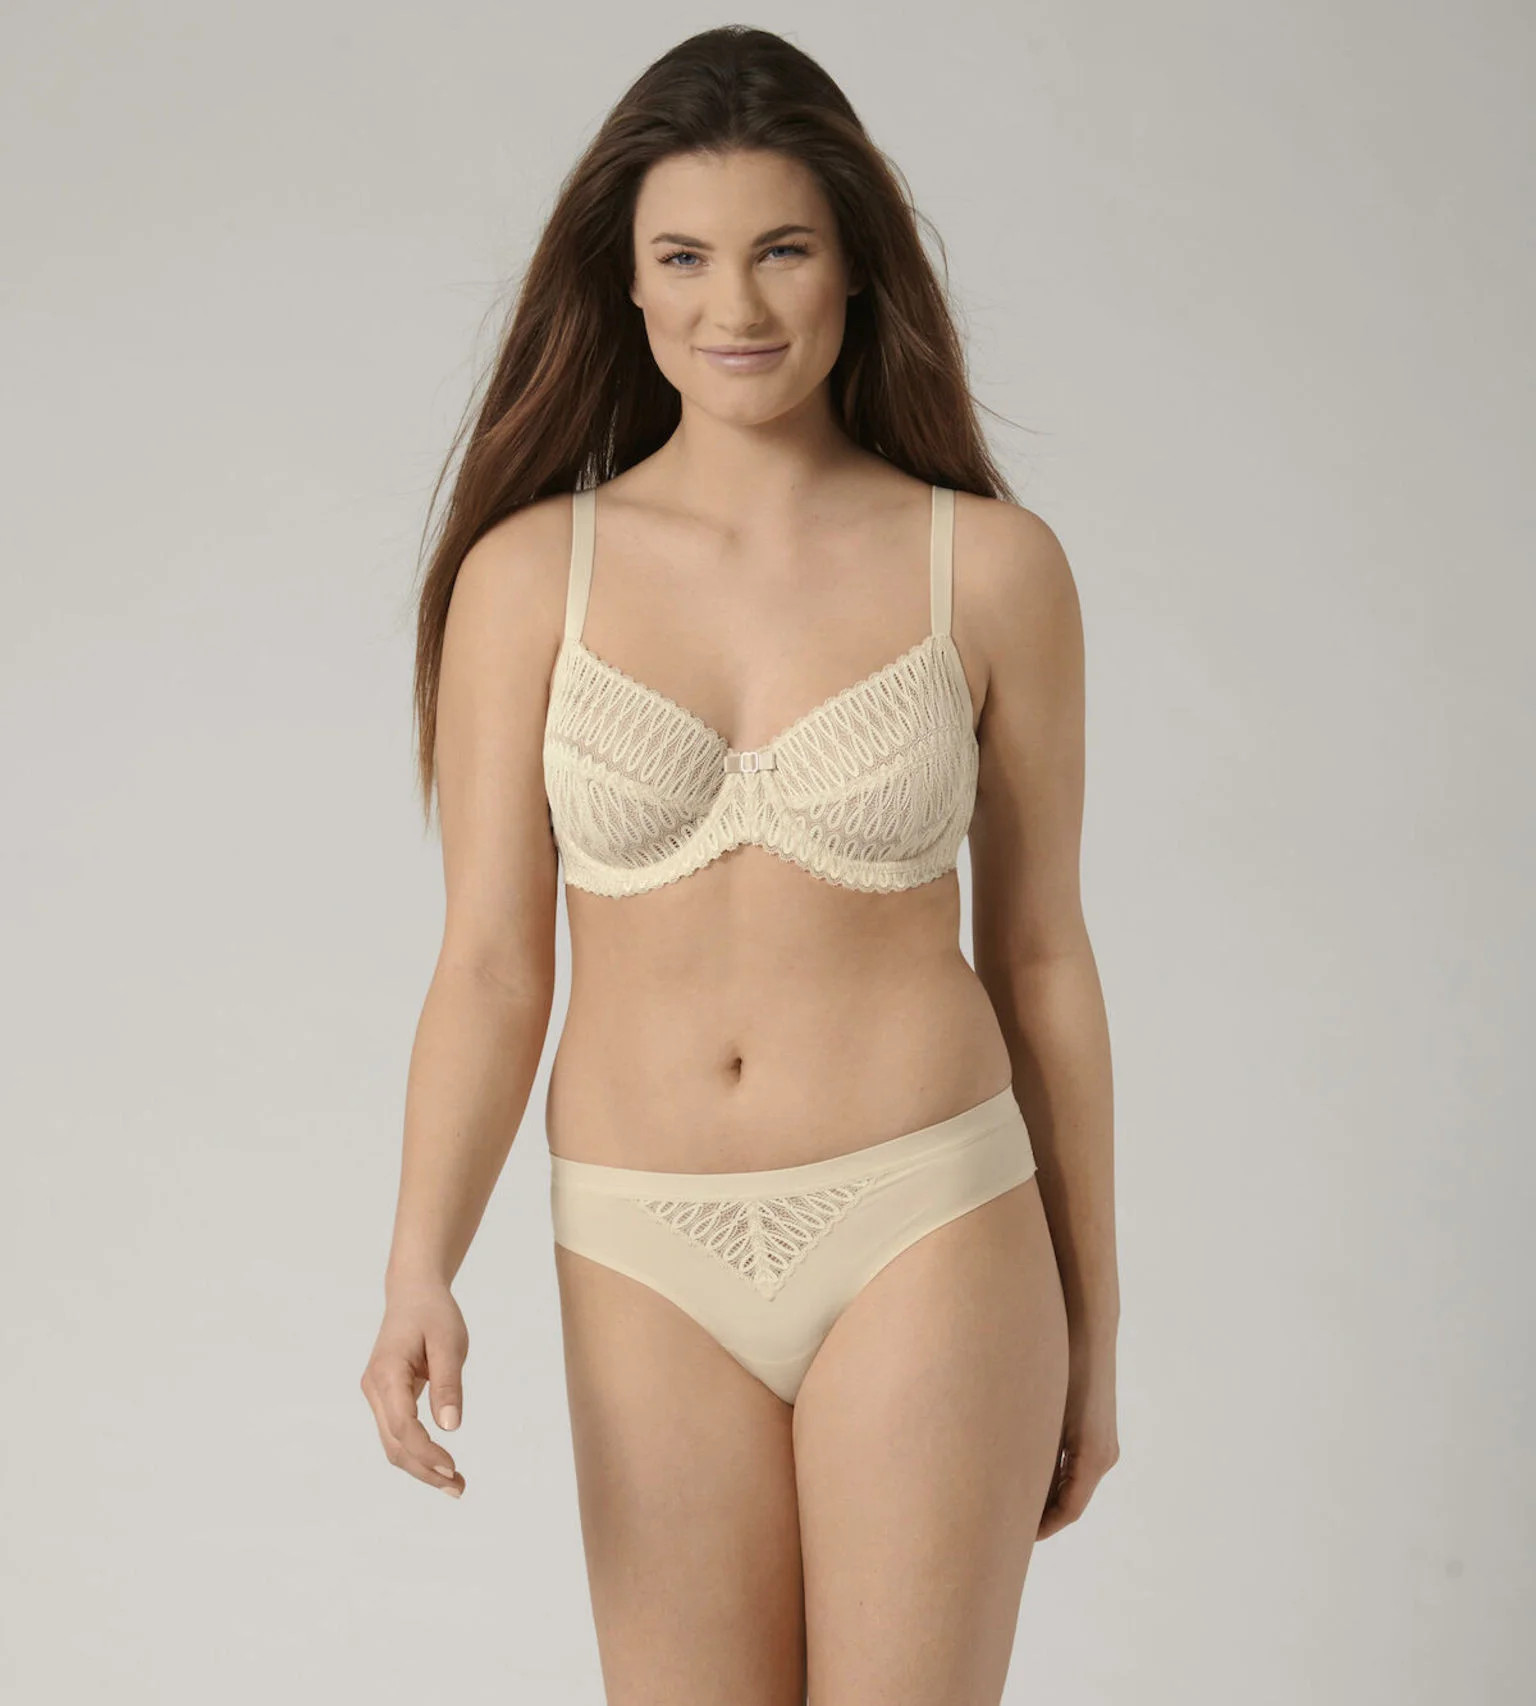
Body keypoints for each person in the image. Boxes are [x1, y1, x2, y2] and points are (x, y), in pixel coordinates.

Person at [360, 24, 1119, 1704]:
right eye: (685, 258)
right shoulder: (527, 577)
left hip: (929, 1213)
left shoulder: (991, 570)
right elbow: (490, 963)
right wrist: (420, 1262)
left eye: (783, 249)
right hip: (643, 1243)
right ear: (625, 283)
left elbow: (1043, 957)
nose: (738, 305)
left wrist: (1098, 1323)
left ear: (856, 265)